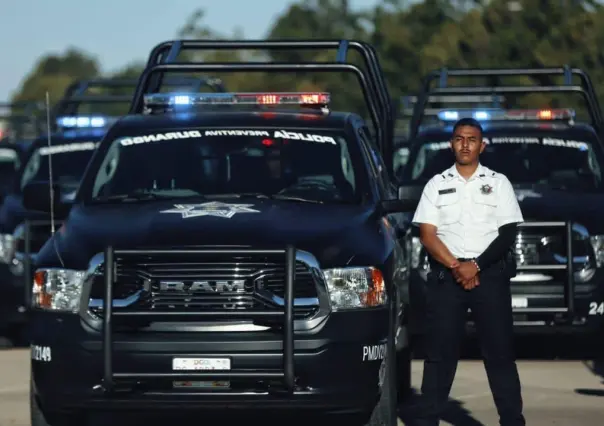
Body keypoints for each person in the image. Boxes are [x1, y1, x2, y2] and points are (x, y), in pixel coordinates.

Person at [412, 117, 526, 426]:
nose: (465, 144)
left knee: (499, 354)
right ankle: (427, 420)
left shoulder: (498, 182)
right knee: (439, 355)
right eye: (460, 138)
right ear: (452, 144)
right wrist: (456, 266)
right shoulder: (436, 184)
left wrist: (475, 266)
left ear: (482, 145)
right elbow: (427, 234)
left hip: (489, 275)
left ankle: (512, 421)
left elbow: (507, 234)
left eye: (472, 139)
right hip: (447, 277)